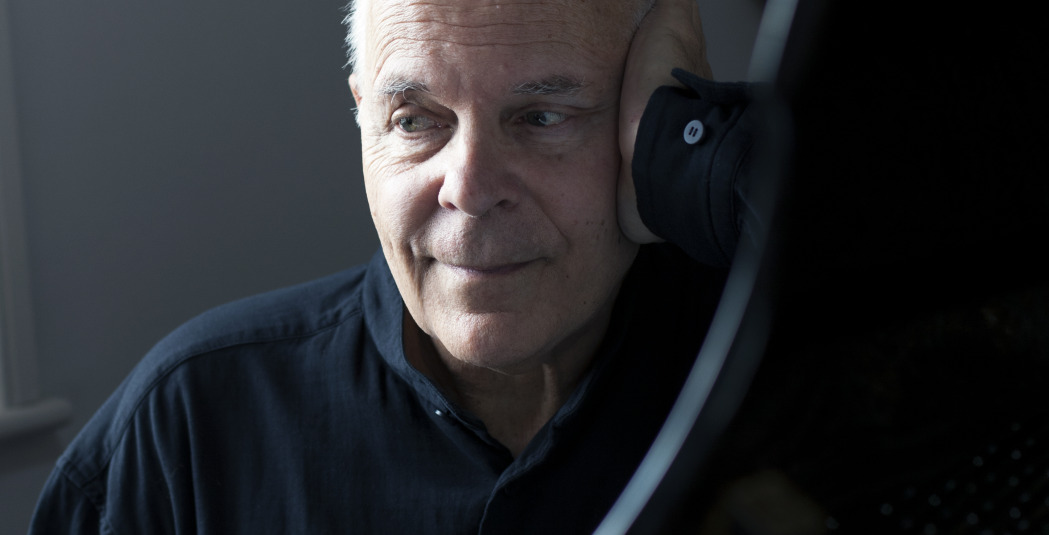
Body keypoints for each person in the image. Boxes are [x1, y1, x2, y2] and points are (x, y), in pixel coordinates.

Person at [28, 0, 756, 532]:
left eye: (540, 117)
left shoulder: (788, 369)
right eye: (415, 120)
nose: (467, 190)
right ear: (363, 118)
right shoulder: (192, 422)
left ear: (642, 122)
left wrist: (701, 162)